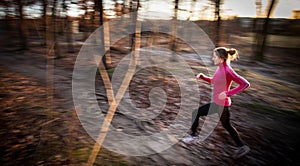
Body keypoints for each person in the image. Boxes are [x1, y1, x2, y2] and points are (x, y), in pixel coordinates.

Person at [181, 47, 251, 159]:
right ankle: (242, 147)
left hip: (221, 105)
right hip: (220, 104)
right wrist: (202, 76)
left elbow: (245, 84)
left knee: (196, 112)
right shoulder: (220, 68)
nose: (212, 58)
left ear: (222, 58)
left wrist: (228, 93)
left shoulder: (228, 70)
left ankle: (193, 137)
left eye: (215, 57)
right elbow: (214, 80)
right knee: (227, 125)